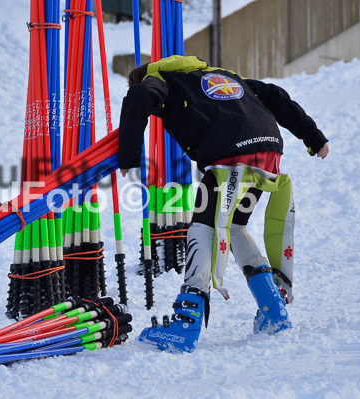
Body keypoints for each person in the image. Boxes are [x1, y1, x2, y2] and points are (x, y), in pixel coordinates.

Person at [118, 55, 329, 352]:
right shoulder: (224, 75)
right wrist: (313, 137)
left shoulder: (160, 80)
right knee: (236, 226)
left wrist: (127, 155)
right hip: (266, 153)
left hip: (228, 157)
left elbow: (140, 95)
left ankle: (185, 323)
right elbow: (274, 95)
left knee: (203, 227)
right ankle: (273, 309)